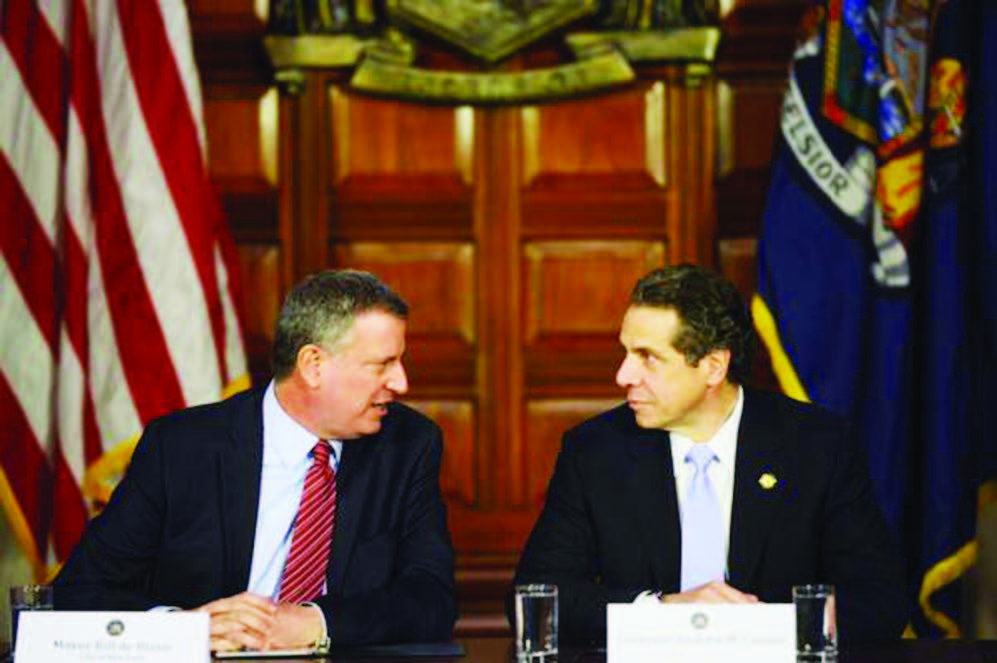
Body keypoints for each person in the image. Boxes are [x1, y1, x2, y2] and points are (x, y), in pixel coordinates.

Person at [55, 270, 456, 651]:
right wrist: (189, 629)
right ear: (313, 365)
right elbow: (81, 591)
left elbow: (431, 597)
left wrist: (315, 623)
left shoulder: (408, 445)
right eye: (382, 364)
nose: (401, 383)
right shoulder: (181, 448)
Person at [511, 264, 907, 644]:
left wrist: (764, 626)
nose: (623, 375)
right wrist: (665, 610)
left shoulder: (818, 446)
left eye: (648, 357)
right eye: (626, 352)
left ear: (714, 367)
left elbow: (880, 602)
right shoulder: (595, 451)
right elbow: (536, 599)